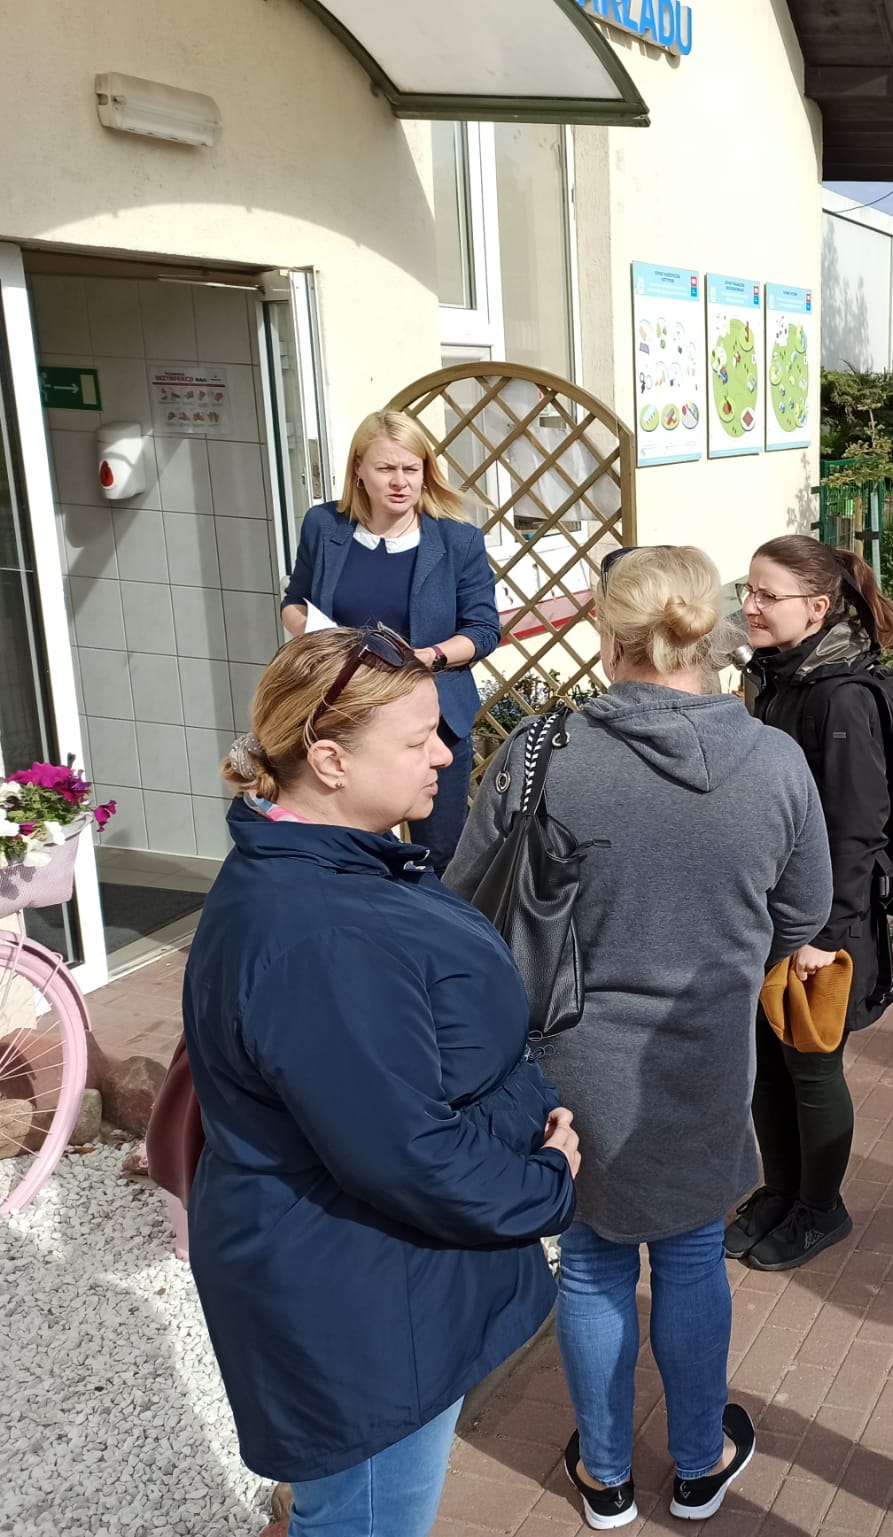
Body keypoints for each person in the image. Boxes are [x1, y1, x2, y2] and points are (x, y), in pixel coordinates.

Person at [448, 545, 833, 1529]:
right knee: (694, 1256)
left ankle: (606, 1475)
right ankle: (699, 1465)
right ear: (714, 631)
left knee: (591, 1262)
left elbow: (465, 901)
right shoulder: (775, 761)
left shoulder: (543, 750)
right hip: (702, 1058)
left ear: (606, 631)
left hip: (569, 1055)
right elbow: (804, 919)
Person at [182, 628, 580, 1537]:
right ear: (327, 759)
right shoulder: (321, 930)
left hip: (367, 1279)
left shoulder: (334, 868)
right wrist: (545, 1182)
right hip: (354, 1309)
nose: (447, 752)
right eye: (419, 738)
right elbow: (403, 1149)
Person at [728, 534, 893, 1269]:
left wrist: (823, 934)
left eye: (769, 595)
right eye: (750, 590)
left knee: (810, 1065)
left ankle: (819, 1207)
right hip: (769, 913)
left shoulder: (840, 696)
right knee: (766, 1060)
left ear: (819, 605)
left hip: (821, 926)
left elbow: (857, 828)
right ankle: (782, 1190)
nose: (750, 606)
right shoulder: (777, 678)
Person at [281, 410, 500, 871]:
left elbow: (482, 631)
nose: (400, 482)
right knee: (343, 845)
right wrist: (320, 638)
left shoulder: (457, 540)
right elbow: (292, 603)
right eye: (385, 469)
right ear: (359, 470)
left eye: (411, 469)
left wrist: (425, 658)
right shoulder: (325, 527)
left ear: (426, 471)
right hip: (343, 715)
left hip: (429, 719)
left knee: (440, 853)